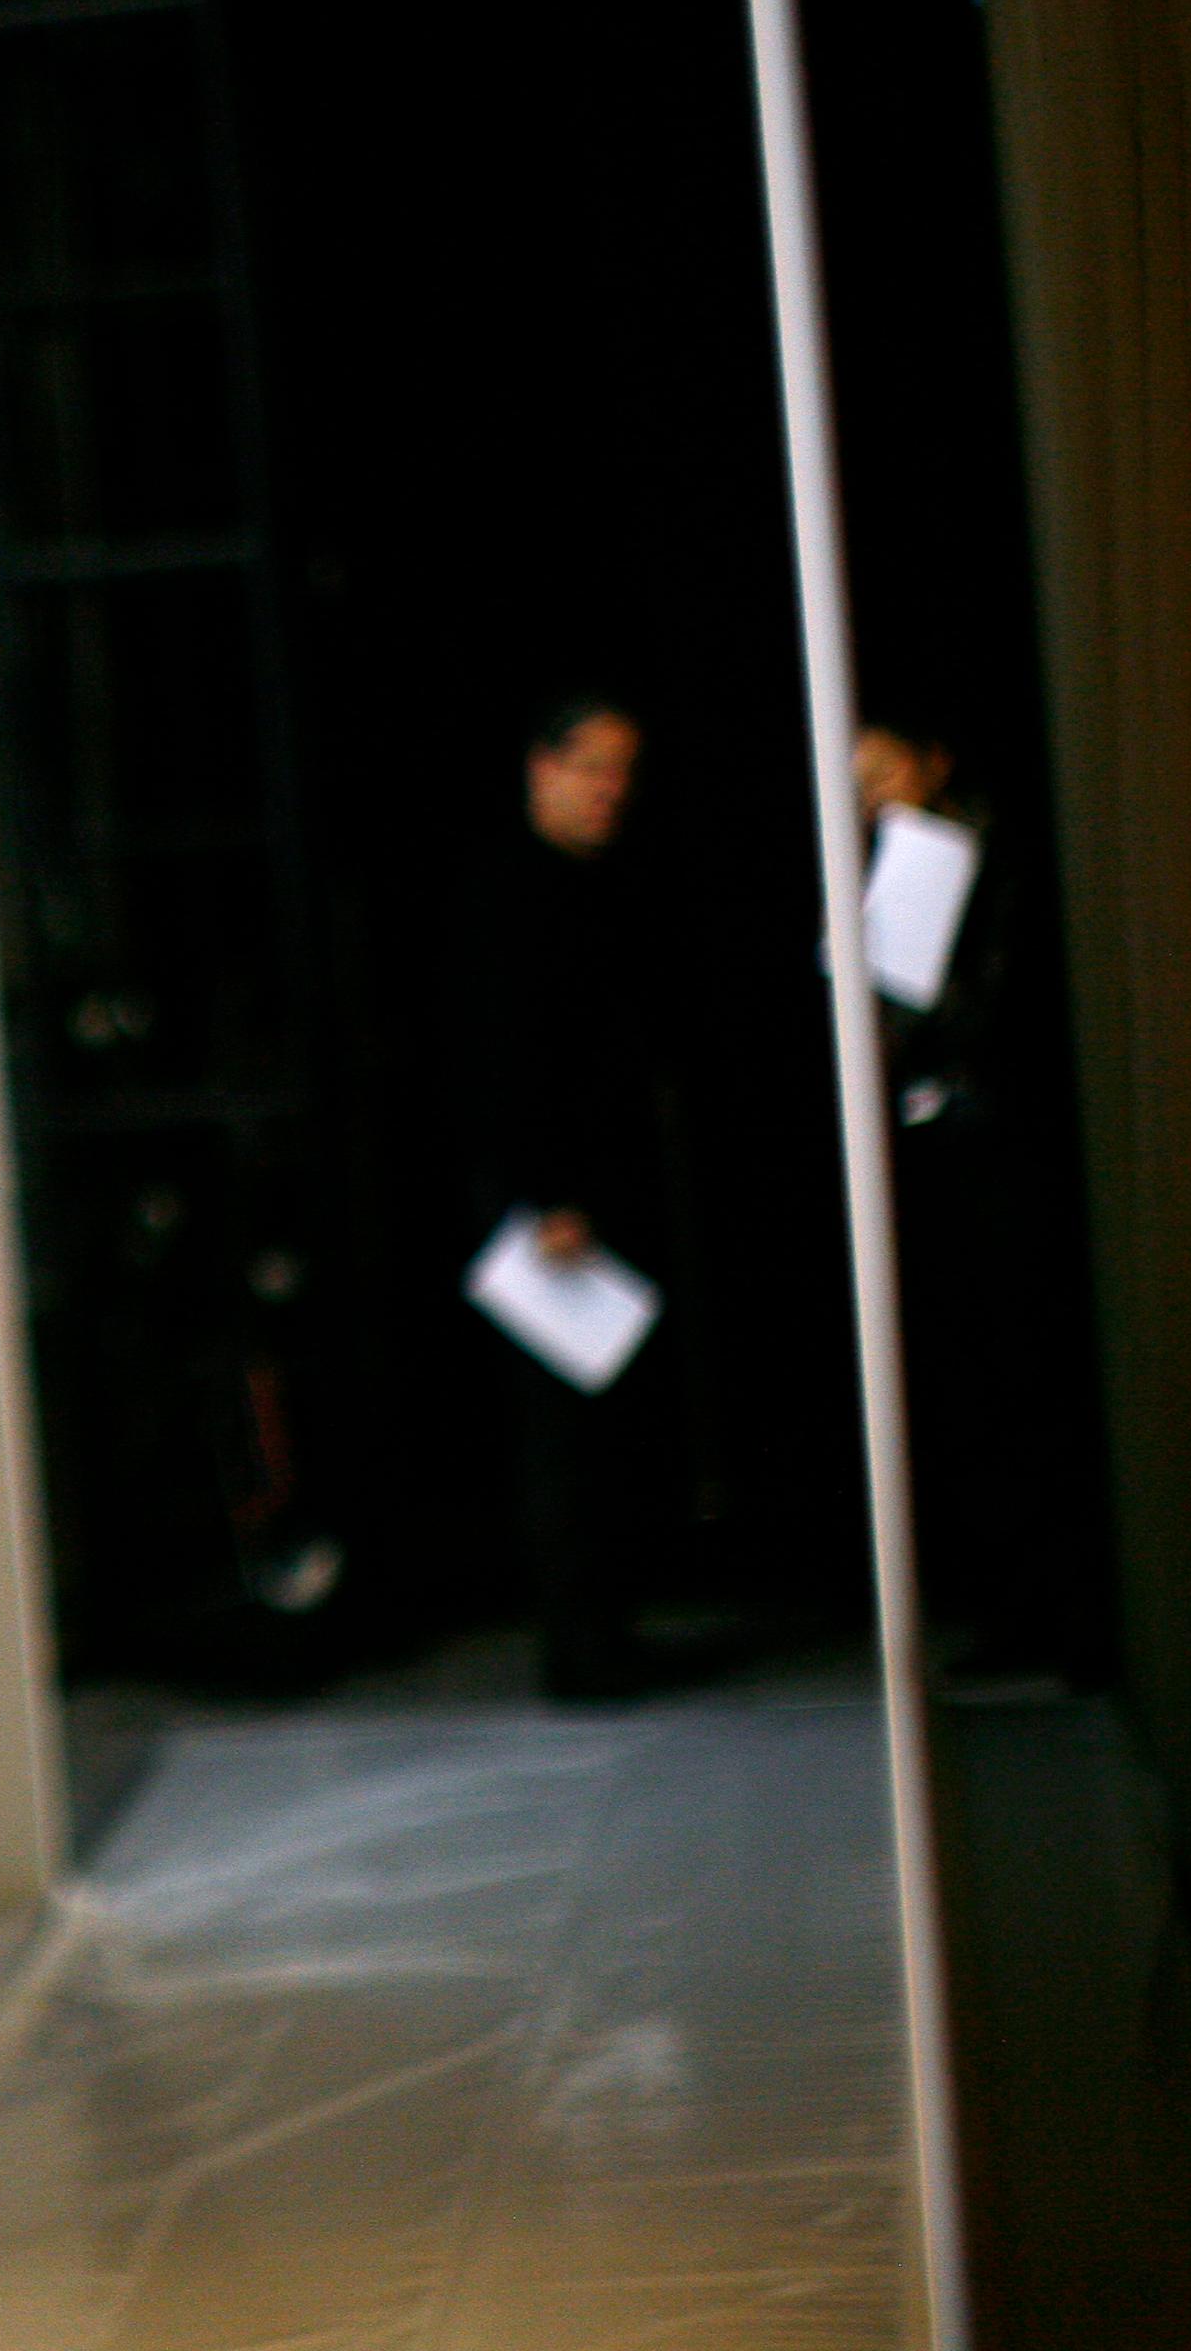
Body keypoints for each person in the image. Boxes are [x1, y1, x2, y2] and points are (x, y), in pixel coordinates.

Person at [457, 692, 705, 1699]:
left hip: (599, 1191)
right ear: (541, 768)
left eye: (623, 772)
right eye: (593, 767)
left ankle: (608, 1629)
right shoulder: (503, 896)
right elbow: (496, 1063)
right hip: (546, 1204)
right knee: (564, 1434)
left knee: (610, 1426)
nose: (612, 790)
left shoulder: (597, 887)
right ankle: (581, 1644)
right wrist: (543, 1194)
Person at [855, 718, 1093, 1677]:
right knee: (973, 1391)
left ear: (934, 760)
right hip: (937, 1152)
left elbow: (986, 1010)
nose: (871, 798)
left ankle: (1065, 1619)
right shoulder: (893, 869)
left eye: (882, 774)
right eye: (856, 782)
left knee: (1032, 1378)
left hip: (1003, 1145)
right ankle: (1013, 1612)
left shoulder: (983, 860)